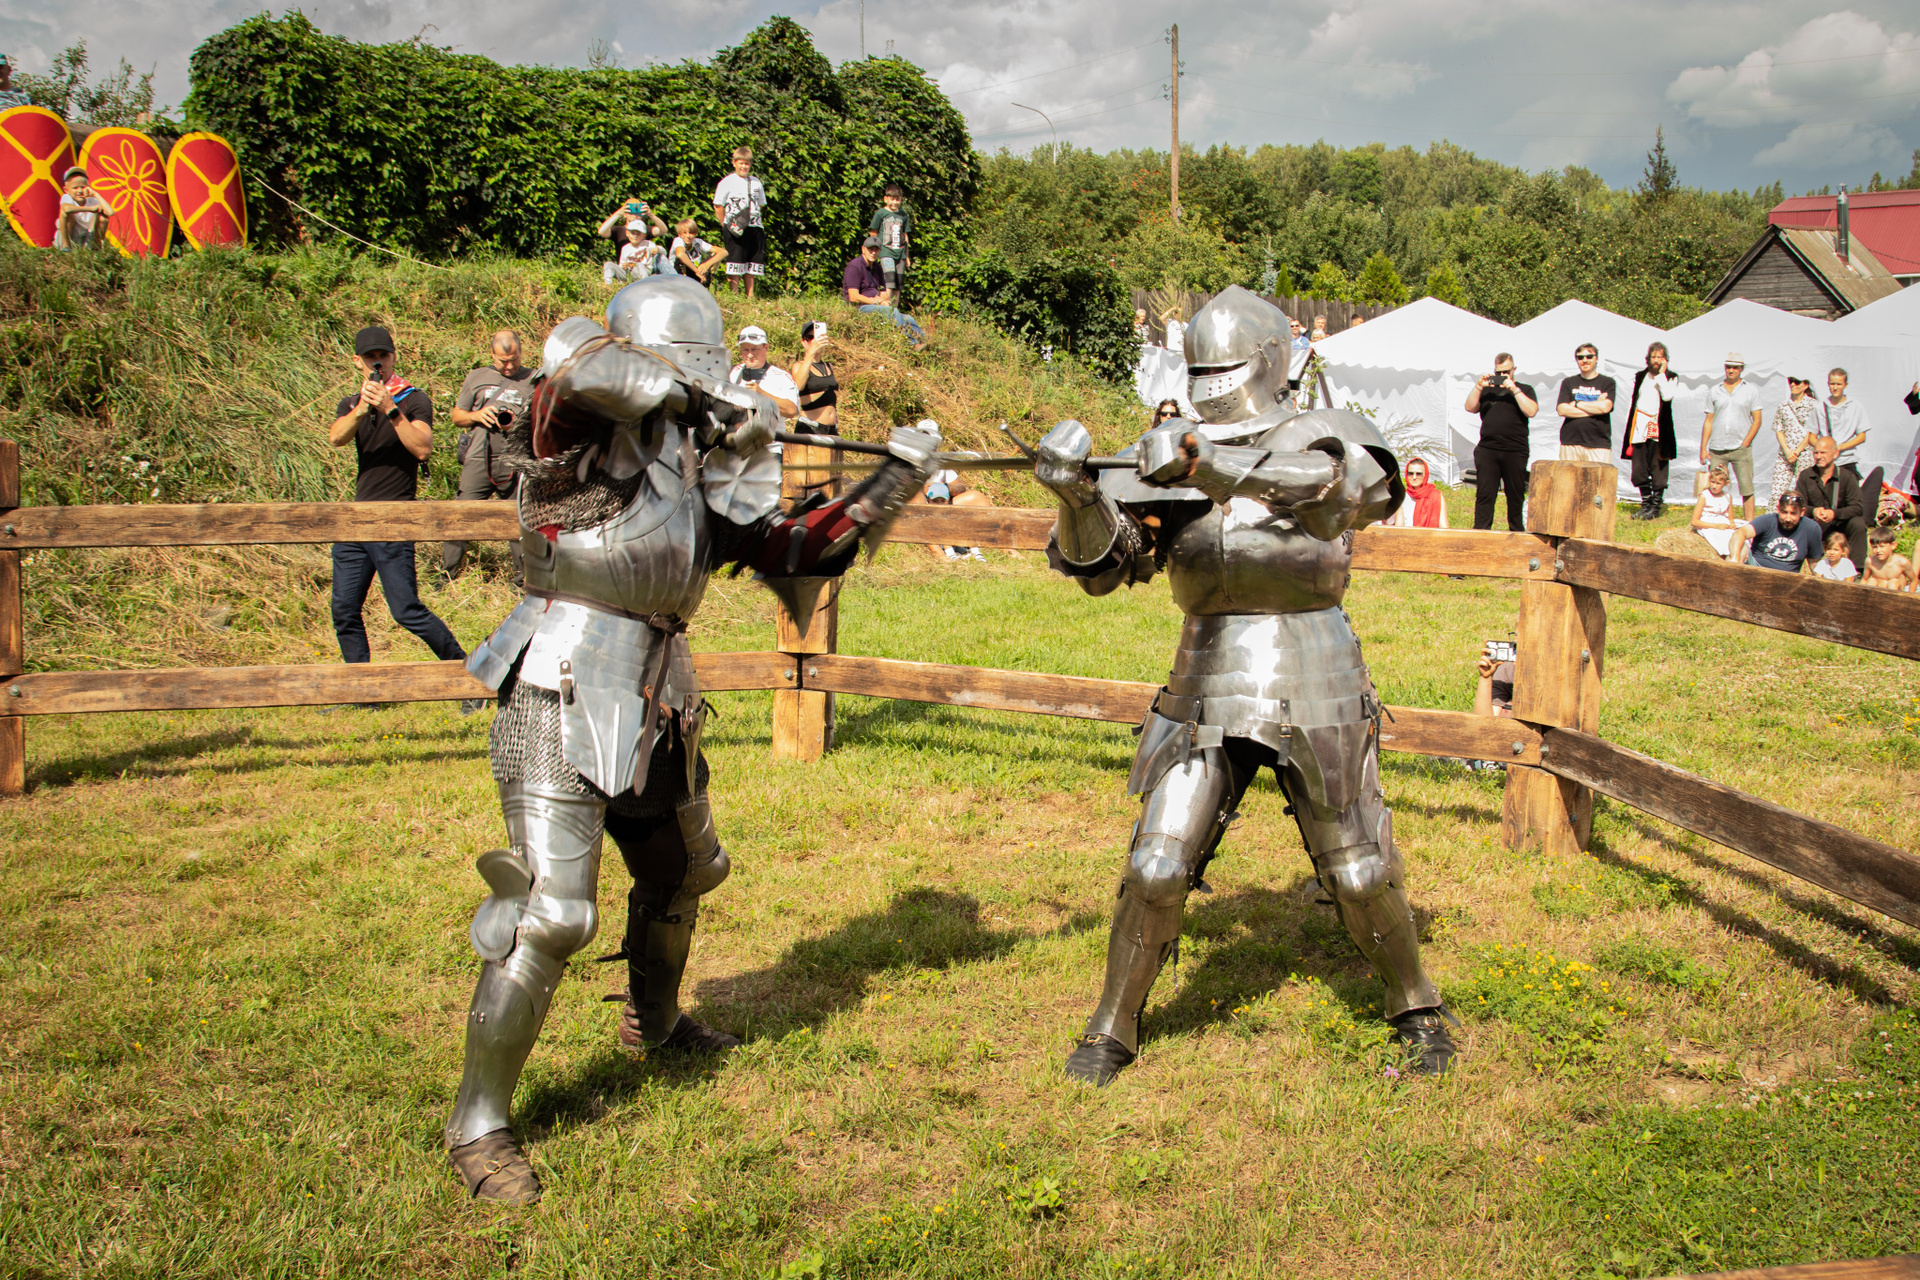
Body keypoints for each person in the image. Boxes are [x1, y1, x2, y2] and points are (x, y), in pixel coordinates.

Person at [444, 274, 940, 1205]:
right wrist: (699, 403)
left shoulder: (690, 471)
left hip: (658, 693)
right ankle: (478, 1122)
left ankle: (656, 1024)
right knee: (551, 915)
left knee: (684, 873)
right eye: (692, 376)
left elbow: (794, 551)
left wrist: (891, 482)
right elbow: (573, 366)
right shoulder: (575, 439)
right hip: (559, 678)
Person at [1032, 285, 1454, 1088]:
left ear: (1269, 360)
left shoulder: (1327, 432)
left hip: (1314, 668)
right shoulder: (1168, 449)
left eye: (1224, 366)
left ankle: (1417, 1005)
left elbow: (1345, 494)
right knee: (1156, 866)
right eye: (1200, 368)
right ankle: (1113, 1024)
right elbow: (1106, 566)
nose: (1213, 382)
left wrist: (1210, 463)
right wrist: (1077, 496)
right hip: (1204, 673)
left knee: (1358, 871)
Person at [324, 326, 469, 691]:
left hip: (395, 517)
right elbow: (336, 437)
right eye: (370, 357)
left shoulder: (413, 399)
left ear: (393, 357)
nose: (378, 363)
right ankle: (362, 692)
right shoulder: (351, 403)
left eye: (383, 356)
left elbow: (422, 448)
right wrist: (363, 408)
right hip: (356, 519)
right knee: (344, 609)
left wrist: (390, 409)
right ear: (357, 362)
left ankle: (467, 676)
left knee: (405, 610)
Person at [441, 330, 533, 582]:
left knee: (518, 519)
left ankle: (523, 581)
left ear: (521, 352)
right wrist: (477, 415)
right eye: (503, 361)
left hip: (515, 461)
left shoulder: (533, 380)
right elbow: (457, 416)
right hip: (478, 460)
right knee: (461, 515)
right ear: (492, 354)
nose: (509, 366)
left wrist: (517, 425)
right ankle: (447, 576)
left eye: (514, 359)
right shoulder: (477, 377)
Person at [1465, 352, 1538, 532]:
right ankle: (1481, 531)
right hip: (1488, 449)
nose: (1503, 376)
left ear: (1514, 370)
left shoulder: (1525, 389)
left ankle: (1516, 530)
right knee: (1485, 494)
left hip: (1515, 450)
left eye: (1506, 372)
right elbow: (1470, 407)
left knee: (1515, 495)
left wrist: (1514, 389)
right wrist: (1478, 387)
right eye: (1499, 373)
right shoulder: (1487, 390)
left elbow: (1531, 411)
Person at [1700, 352, 1762, 521]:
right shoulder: (1715, 390)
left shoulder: (1751, 390)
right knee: (1714, 486)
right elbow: (1708, 420)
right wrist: (1703, 448)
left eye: (1735, 367)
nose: (1731, 370)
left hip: (1740, 447)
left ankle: (1749, 524)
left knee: (1746, 488)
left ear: (1742, 369)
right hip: (1717, 448)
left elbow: (1757, 420)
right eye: (1728, 367)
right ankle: (1711, 521)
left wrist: (1746, 442)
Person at [1794, 435, 1868, 569]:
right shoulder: (1806, 476)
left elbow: (1857, 507)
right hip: (1815, 525)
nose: (1818, 456)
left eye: (1823, 452)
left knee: (1857, 523)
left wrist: (1835, 514)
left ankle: (1857, 571)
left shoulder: (1847, 477)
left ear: (1835, 454)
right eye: (1816, 453)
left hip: (1839, 524)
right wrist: (1813, 511)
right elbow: (1798, 505)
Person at [1621, 342, 1676, 520]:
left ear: (1665, 359)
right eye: (1654, 357)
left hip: (1659, 429)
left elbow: (1667, 396)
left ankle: (1655, 507)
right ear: (1648, 359)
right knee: (1639, 469)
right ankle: (1646, 504)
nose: (1656, 360)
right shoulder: (1640, 376)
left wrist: (1661, 375)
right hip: (1639, 427)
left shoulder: (1671, 377)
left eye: (1660, 357)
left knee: (1658, 468)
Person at [843, 236, 929, 349]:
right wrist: (874, 302)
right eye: (870, 249)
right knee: (892, 312)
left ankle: (927, 341)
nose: (873, 253)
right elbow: (853, 296)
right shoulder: (855, 266)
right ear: (863, 249)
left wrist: (883, 301)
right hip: (860, 307)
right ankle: (911, 344)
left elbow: (884, 293)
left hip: (876, 305)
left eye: (876, 250)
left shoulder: (877, 268)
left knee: (908, 318)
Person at [712, 146, 768, 296]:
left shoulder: (756, 182)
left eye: (747, 163)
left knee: (752, 262)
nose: (744, 166)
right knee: (735, 261)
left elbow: (760, 204)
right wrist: (724, 223)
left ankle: (750, 295)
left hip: (755, 226)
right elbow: (718, 205)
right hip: (734, 227)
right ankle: (734, 294)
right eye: (741, 163)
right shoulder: (726, 182)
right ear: (734, 163)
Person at [1556, 343, 1616, 463]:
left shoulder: (1607, 382)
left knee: (1599, 476)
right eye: (1580, 357)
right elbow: (1562, 410)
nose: (1585, 360)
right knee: (1568, 476)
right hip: (1570, 442)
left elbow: (1605, 408)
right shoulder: (1568, 382)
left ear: (1596, 358)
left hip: (1598, 444)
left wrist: (1577, 403)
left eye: (1589, 356)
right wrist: (1595, 408)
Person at [1738, 493, 1821, 573]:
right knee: (1742, 547)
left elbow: (1814, 563)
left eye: (1793, 513)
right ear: (1778, 509)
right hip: (1757, 569)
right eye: (1784, 512)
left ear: (1802, 512)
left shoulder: (1811, 529)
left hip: (1788, 577)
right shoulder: (1767, 521)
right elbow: (1740, 533)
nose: (1788, 519)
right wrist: (1735, 560)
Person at [729, 325, 799, 419]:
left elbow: (791, 410)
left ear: (766, 347)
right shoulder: (733, 373)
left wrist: (762, 394)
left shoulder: (781, 377)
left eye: (754, 349)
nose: (750, 355)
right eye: (745, 350)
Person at [1771, 376, 1819, 509]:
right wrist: (1787, 450)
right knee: (1777, 491)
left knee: (1803, 491)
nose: (1793, 384)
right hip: (1785, 454)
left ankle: (1801, 516)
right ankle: (1774, 516)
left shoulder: (1814, 405)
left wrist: (1797, 451)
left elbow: (1812, 431)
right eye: (1790, 381)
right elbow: (1778, 429)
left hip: (1805, 453)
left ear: (1805, 385)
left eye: (1797, 382)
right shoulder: (1783, 405)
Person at [1818, 368, 1869, 479]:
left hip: (1847, 461)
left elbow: (1862, 436)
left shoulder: (1855, 406)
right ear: (1828, 384)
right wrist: (1823, 449)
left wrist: (1840, 447)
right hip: (1825, 462)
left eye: (1839, 384)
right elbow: (1811, 435)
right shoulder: (1820, 406)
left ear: (1845, 385)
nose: (1835, 387)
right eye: (1832, 384)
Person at [788, 321, 838, 431]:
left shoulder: (828, 366)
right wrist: (811, 352)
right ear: (803, 342)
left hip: (831, 429)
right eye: (810, 338)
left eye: (818, 337)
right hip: (810, 427)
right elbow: (798, 386)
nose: (815, 341)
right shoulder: (798, 366)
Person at [868, 182, 912, 305]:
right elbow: (873, 233)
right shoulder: (881, 213)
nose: (895, 202)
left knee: (898, 285)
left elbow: (906, 236)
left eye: (897, 199)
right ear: (886, 199)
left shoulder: (903, 215)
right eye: (892, 199)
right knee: (889, 282)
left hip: (901, 254)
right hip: (886, 252)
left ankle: (894, 310)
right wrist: (875, 251)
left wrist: (907, 256)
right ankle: (886, 309)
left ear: (901, 199)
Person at [599, 210, 668, 285]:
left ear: (643, 235)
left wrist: (658, 249)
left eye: (638, 234)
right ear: (627, 234)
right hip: (629, 273)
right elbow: (621, 264)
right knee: (608, 264)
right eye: (632, 233)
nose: (635, 236)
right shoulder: (625, 248)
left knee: (639, 265)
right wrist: (624, 266)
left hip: (644, 272)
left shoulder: (648, 244)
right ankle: (607, 284)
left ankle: (644, 285)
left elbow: (664, 251)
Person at [1689, 465, 1741, 560]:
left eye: (1718, 483)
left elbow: (1730, 517)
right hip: (1708, 525)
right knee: (1721, 538)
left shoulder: (1727, 496)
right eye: (1712, 482)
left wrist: (1732, 524)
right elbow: (1694, 521)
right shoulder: (1704, 496)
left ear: (1725, 483)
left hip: (1723, 522)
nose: (1714, 486)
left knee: (1737, 536)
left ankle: (1736, 558)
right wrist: (1715, 526)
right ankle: (1727, 557)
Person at [54, 167, 110, 251]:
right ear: (66, 190)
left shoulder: (92, 200)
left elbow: (110, 212)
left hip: (87, 236)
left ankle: (96, 247)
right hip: (72, 234)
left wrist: (95, 194)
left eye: (83, 187)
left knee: (103, 218)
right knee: (64, 214)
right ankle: (66, 246)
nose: (80, 191)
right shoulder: (67, 197)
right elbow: (66, 208)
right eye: (75, 188)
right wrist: (90, 209)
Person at [1385, 456, 1448, 528]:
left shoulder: (1436, 496)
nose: (1414, 477)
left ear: (1425, 475)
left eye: (1419, 474)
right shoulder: (1400, 496)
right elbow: (1396, 526)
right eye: (1410, 473)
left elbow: (1444, 527)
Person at [669, 218, 727, 285]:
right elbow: (680, 254)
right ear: (679, 234)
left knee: (715, 254)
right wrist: (696, 271)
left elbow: (724, 252)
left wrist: (707, 264)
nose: (688, 236)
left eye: (691, 233)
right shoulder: (678, 240)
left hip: (694, 273)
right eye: (684, 233)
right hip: (676, 273)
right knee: (682, 258)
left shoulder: (698, 242)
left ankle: (705, 281)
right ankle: (682, 284)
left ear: (695, 234)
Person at [1861, 526, 1914, 590]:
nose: (1878, 551)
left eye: (1882, 546)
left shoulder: (1902, 563)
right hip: (1876, 593)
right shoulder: (1870, 561)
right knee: (1871, 581)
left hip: (1896, 593)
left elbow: (1914, 580)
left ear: (1893, 546)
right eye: (1874, 547)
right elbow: (1864, 579)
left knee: (1893, 582)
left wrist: (1910, 594)